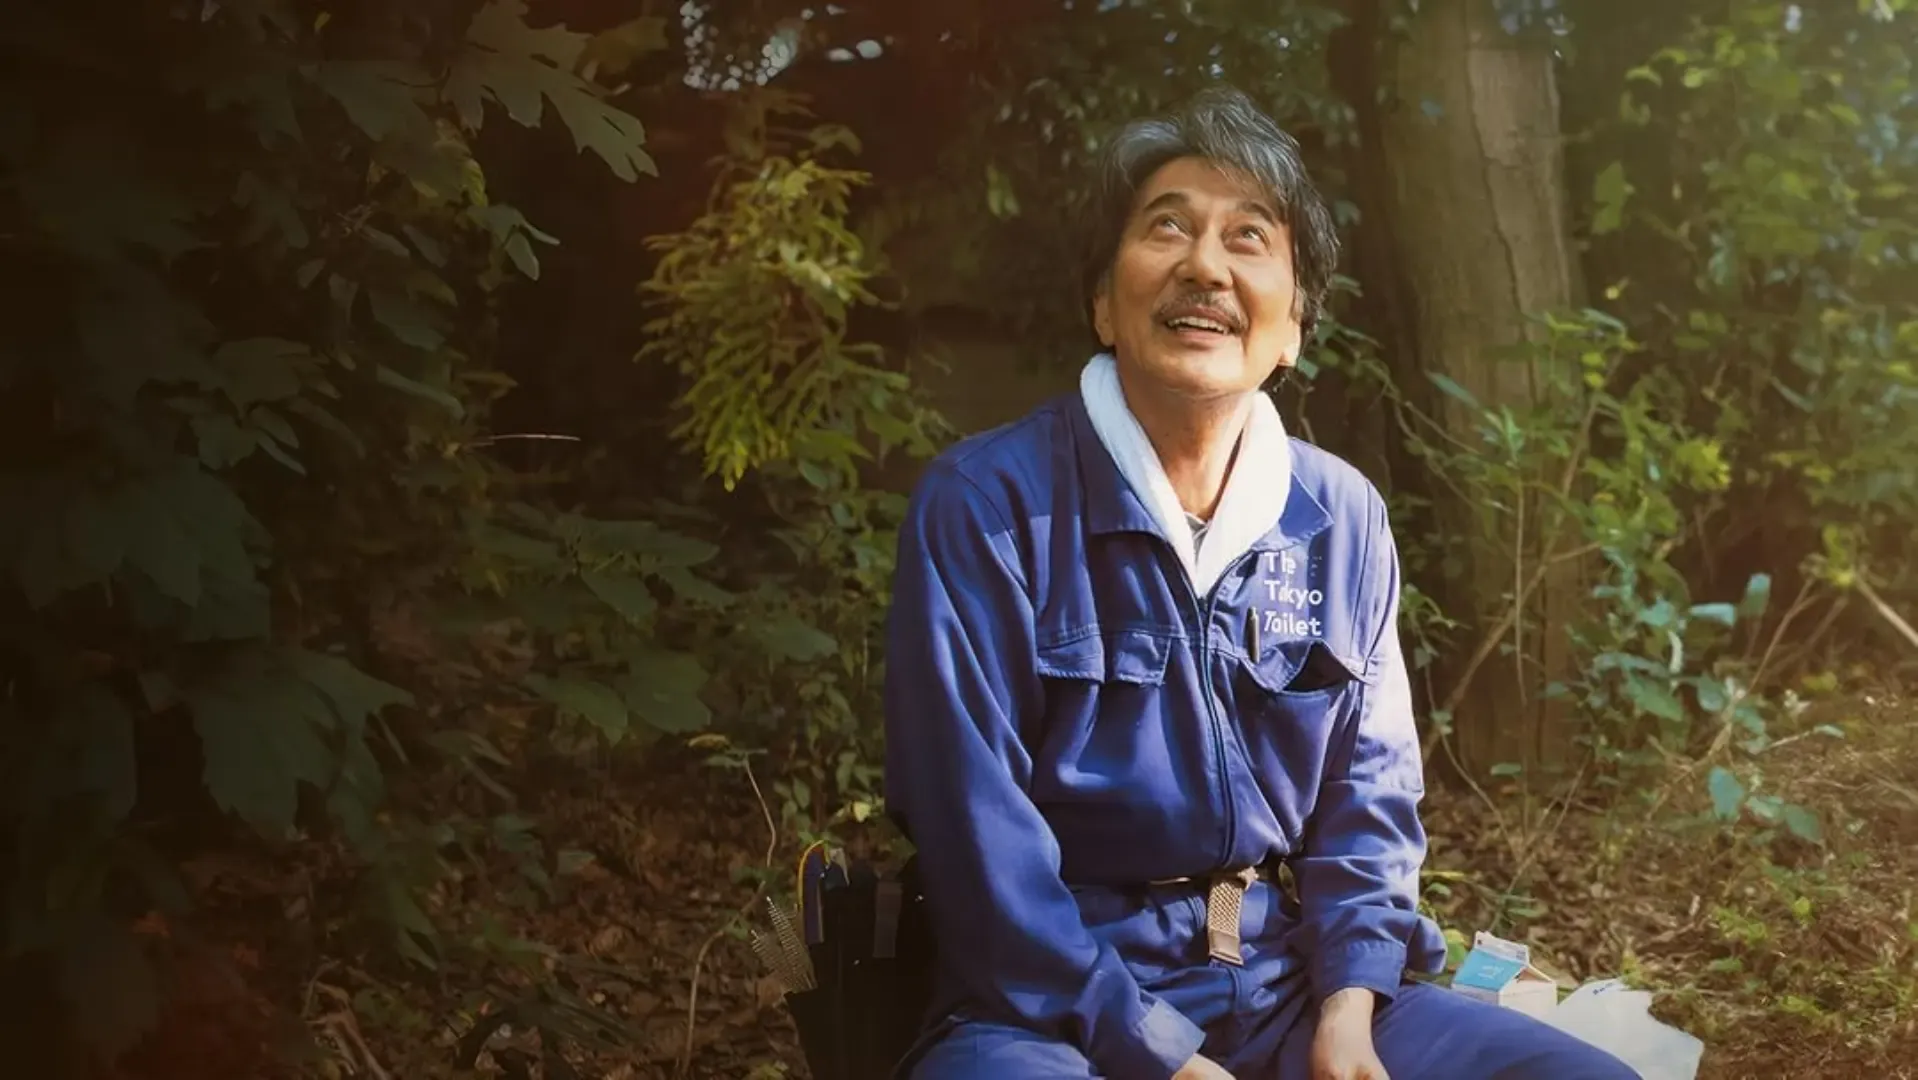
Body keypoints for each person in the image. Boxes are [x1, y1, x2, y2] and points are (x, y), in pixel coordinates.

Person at [879, 86, 1638, 1080]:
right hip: (1048, 1010)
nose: (1204, 264)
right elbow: (976, 850)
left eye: (1248, 236)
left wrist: (1349, 1009)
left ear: (1293, 328)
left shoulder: (1341, 518)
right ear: (1103, 302)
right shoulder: (983, 506)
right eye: (1166, 228)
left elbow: (1368, 800)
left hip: (1285, 984)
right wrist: (1159, 1054)